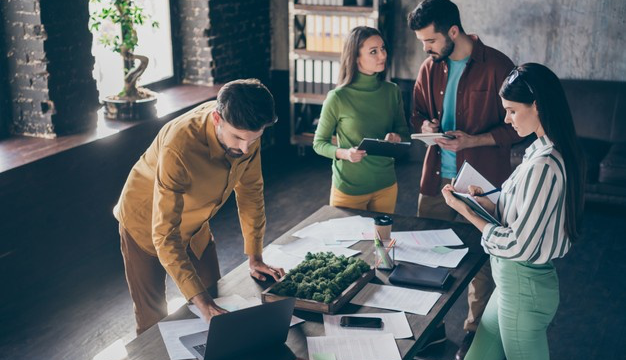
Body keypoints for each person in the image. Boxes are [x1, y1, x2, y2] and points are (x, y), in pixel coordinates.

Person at [114, 79, 285, 334]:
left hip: (195, 224)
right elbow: (165, 235)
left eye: (253, 139)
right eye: (237, 138)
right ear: (217, 119)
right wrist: (203, 304)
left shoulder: (246, 131)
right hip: (146, 224)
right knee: (153, 321)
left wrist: (255, 257)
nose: (245, 148)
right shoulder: (179, 146)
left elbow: (250, 193)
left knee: (214, 296)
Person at [441, 63, 585, 360]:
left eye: (512, 110)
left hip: (522, 289)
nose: (507, 119)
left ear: (537, 106)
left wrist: (466, 212)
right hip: (511, 287)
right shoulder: (540, 152)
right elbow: (522, 217)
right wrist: (486, 204)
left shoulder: (544, 164)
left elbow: (518, 244)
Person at [407, 0, 521, 356]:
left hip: (481, 185)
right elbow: (418, 114)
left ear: (452, 32)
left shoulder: (499, 66)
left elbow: (518, 129)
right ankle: (433, 331)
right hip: (435, 182)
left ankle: (474, 333)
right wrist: (426, 126)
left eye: (430, 41)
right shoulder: (430, 67)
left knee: (480, 267)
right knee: (425, 260)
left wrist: (474, 140)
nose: (425, 49)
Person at [313, 26, 410, 214]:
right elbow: (319, 143)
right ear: (356, 58)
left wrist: (397, 138)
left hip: (386, 186)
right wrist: (344, 153)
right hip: (349, 189)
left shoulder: (392, 91)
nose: (382, 55)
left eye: (383, 48)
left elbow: (405, 134)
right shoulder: (337, 97)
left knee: (382, 243)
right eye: (373, 51)